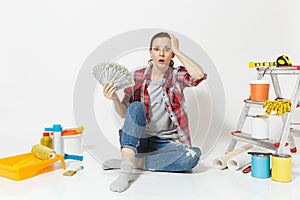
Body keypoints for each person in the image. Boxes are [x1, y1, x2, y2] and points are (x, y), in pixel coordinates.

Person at [102, 32, 207, 192]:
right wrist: (115, 99)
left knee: (193, 156)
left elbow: (199, 75)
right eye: (157, 49)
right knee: (135, 106)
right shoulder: (136, 77)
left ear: (171, 53)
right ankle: (125, 171)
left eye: (167, 49)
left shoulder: (177, 76)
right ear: (150, 52)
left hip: (166, 144)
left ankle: (133, 162)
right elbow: (125, 114)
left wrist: (178, 50)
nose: (162, 53)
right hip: (140, 140)